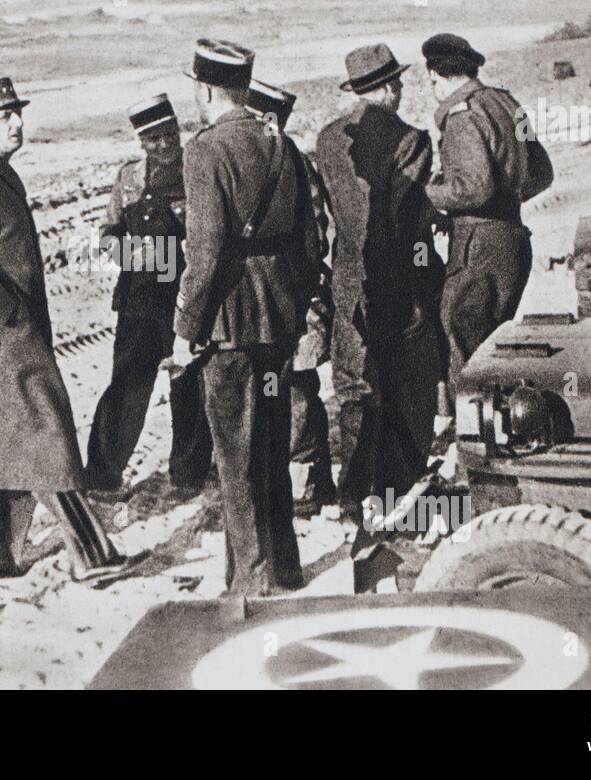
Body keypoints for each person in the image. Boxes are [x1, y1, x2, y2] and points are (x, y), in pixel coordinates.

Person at [0, 76, 145, 587]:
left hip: (0, 337)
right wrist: (6, 312)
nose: (17, 123)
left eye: (17, 113)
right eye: (4, 117)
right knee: (49, 439)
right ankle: (92, 558)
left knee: (9, 441)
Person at [170, 39, 322, 598]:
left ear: (205, 89)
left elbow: (205, 253)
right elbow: (311, 244)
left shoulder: (205, 150)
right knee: (271, 446)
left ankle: (251, 581)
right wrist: (294, 304)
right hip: (278, 317)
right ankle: (282, 564)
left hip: (230, 319)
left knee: (234, 456)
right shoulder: (282, 144)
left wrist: (187, 327)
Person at [314, 43, 444, 522]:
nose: (402, 91)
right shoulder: (412, 140)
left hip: (349, 277)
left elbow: (335, 214)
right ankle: (398, 487)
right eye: (399, 84)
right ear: (389, 88)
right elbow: (403, 217)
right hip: (398, 279)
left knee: (353, 385)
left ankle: (353, 495)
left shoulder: (327, 141)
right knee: (405, 381)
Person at [85, 94, 212, 499]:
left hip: (185, 294)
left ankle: (188, 473)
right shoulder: (129, 179)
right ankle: (103, 476)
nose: (164, 145)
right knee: (127, 385)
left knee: (189, 383)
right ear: (141, 142)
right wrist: (128, 253)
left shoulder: (199, 169)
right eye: (153, 139)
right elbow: (107, 235)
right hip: (140, 300)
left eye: (169, 134)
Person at [421, 33, 552, 398]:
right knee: (494, 345)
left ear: (434, 75)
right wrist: (508, 197)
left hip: (478, 245)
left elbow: (474, 188)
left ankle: (474, 438)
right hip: (512, 239)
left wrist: (426, 195)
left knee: (466, 346)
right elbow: (543, 172)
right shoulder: (508, 104)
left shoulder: (462, 117)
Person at [245, 79, 337, 518]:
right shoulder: (280, 160)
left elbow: (316, 237)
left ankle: (308, 482)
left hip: (294, 298)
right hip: (283, 298)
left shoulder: (294, 165)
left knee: (297, 390)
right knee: (282, 388)